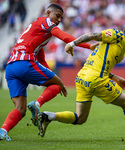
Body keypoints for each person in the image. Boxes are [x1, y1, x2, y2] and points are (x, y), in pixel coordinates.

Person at [38, 21, 125, 141]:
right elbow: (93, 35)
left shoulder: (121, 51)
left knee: (80, 118)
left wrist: (114, 77)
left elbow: (100, 64)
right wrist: (72, 44)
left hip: (82, 78)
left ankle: (49, 116)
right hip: (96, 79)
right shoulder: (117, 35)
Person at [0, 3, 97, 141]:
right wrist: (87, 46)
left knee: (20, 109)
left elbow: (41, 58)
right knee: (57, 86)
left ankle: (3, 130)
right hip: (24, 62)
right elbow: (63, 36)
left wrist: (50, 73)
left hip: (11, 67)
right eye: (57, 16)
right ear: (47, 13)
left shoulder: (36, 28)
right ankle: (37, 104)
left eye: (60, 18)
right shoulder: (45, 22)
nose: (58, 20)